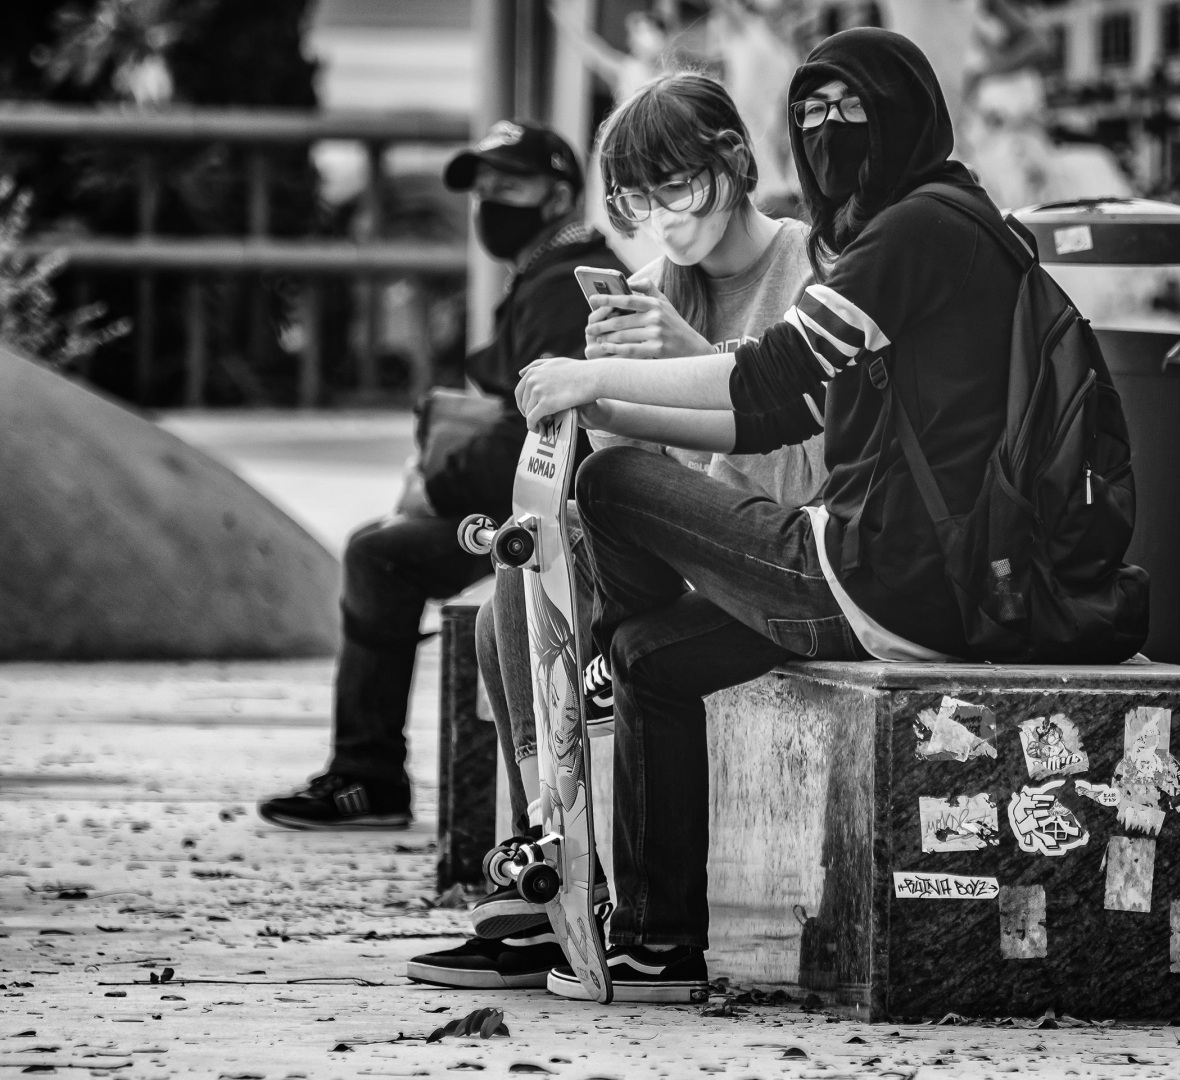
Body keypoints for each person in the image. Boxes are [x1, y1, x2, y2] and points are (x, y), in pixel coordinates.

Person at [512, 28, 1025, 1002]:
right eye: (812, 117)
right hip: (844, 569)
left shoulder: (908, 232)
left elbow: (779, 399)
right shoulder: (903, 230)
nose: (828, 139)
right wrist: (602, 399)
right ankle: (656, 949)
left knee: (605, 503)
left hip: (874, 572)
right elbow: (770, 407)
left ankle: (591, 675)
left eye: (852, 113)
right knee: (648, 658)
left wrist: (612, 372)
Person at [403, 73, 826, 993]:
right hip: (674, 560)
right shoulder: (643, 287)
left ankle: (587, 887)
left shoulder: (810, 269)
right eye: (635, 199)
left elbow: (807, 447)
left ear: (738, 163)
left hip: (786, 554)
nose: (661, 217)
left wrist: (681, 357)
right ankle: (547, 874)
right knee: (503, 611)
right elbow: (625, 473)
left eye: (677, 187)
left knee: (612, 625)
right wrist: (591, 404)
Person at [256, 119, 628, 831]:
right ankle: (364, 773)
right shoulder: (543, 273)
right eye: (482, 188)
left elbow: (546, 436)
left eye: (509, 185)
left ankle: (367, 778)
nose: (489, 201)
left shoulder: (558, 286)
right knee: (379, 549)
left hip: (551, 519)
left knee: (379, 556)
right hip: (526, 507)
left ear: (556, 195)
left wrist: (439, 483)